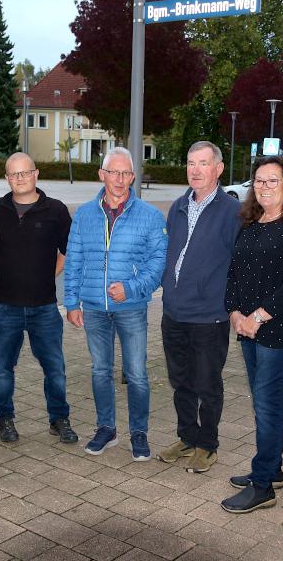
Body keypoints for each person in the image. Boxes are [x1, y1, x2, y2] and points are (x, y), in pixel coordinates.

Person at [221, 157, 283, 513]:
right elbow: (233, 271)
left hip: (277, 331)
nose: (264, 187)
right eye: (258, 181)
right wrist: (234, 312)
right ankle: (272, 468)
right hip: (247, 329)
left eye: (271, 181)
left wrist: (258, 317)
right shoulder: (249, 222)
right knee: (262, 401)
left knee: (266, 404)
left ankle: (263, 486)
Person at [64, 147, 167, 461]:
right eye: (113, 172)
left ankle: (139, 433)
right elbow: (74, 261)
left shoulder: (150, 216)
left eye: (125, 173)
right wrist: (71, 302)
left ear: (132, 177)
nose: (119, 179)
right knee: (100, 371)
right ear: (102, 174)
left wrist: (132, 288)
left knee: (136, 373)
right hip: (94, 307)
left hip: (131, 308)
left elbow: (158, 264)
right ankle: (106, 428)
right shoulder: (83, 214)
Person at [157, 141, 241, 474]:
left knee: (208, 383)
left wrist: (234, 307)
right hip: (174, 313)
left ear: (218, 169)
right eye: (191, 163)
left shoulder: (233, 211)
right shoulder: (178, 205)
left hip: (209, 316)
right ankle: (187, 438)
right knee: (181, 381)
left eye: (203, 163)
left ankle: (207, 445)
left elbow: (240, 264)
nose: (195, 169)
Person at [0, 152, 78, 444]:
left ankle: (59, 418)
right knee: (3, 369)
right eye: (14, 174)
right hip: (5, 305)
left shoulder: (56, 210)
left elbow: (68, 249)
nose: (20, 178)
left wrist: (48, 274)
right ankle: (4, 418)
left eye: (25, 172)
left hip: (44, 306)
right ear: (6, 178)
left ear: (36, 173)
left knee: (55, 367)